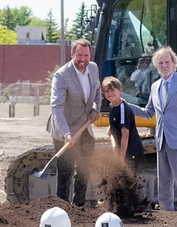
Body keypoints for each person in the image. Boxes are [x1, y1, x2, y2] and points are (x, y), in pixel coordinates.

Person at [132, 46, 177, 212]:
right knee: (164, 183)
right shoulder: (155, 86)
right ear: (156, 66)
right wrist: (124, 105)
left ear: (174, 63)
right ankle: (166, 215)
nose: (164, 65)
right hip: (162, 141)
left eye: (167, 62)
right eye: (160, 63)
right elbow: (148, 113)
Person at [47, 38, 102, 206]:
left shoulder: (93, 68)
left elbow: (98, 90)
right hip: (64, 128)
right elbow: (56, 107)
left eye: (86, 55)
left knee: (84, 169)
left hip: (84, 126)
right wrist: (66, 133)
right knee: (65, 172)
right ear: (72, 54)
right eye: (80, 55)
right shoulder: (62, 75)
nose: (83, 60)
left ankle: (78, 208)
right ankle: (62, 210)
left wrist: (96, 109)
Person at [102, 76, 145, 170]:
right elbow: (115, 119)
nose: (110, 93)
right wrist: (111, 127)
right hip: (122, 149)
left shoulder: (123, 110)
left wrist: (121, 158)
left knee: (127, 181)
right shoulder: (113, 105)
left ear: (120, 90)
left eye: (112, 90)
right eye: (107, 91)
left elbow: (125, 136)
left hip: (130, 151)